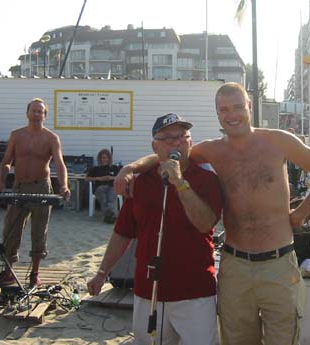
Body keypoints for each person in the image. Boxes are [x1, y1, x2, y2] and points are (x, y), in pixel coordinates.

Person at [115, 83, 310, 345]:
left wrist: (301, 213)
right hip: (235, 266)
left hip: (279, 263)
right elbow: (170, 154)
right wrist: (130, 168)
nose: (232, 115)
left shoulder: (278, 141)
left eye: (237, 107)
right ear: (217, 114)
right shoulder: (213, 150)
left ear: (249, 107)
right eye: (224, 110)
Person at [88, 113, 223, 345]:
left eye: (182, 137)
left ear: (191, 142)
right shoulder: (141, 182)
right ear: (154, 146)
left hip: (195, 290)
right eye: (167, 138)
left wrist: (180, 183)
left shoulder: (207, 179)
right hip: (148, 289)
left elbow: (204, 223)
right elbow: (123, 232)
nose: (176, 143)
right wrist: (102, 272)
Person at [0, 98, 70, 288]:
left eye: (40, 111)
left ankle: (35, 273)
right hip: (19, 187)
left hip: (41, 187)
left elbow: (59, 164)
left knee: (39, 230)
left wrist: (64, 186)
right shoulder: (16, 135)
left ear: (45, 115)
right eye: (34, 110)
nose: (37, 114)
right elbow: (6, 161)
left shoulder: (51, 138)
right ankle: (8, 271)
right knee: (11, 228)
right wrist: (1, 182)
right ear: (27, 113)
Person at [85, 148, 119, 223]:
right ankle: (111, 215)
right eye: (103, 158)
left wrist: (111, 177)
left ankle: (109, 215)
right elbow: (87, 179)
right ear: (100, 159)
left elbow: (120, 177)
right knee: (103, 198)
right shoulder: (95, 169)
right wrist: (100, 178)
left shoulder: (114, 168)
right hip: (100, 187)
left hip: (112, 186)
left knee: (111, 197)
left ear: (109, 158)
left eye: (106, 158)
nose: (105, 160)